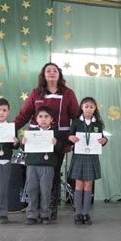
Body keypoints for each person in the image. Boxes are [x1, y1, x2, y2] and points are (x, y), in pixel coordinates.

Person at [14, 62, 78, 220]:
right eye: (48, 70)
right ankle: (33, 210)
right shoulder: (36, 93)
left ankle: (50, 209)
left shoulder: (68, 94)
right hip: (36, 141)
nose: (51, 73)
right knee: (34, 177)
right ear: (43, 74)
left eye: (55, 70)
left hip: (58, 141)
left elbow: (75, 116)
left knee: (54, 175)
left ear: (59, 74)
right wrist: (9, 130)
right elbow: (24, 114)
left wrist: (73, 137)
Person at [68, 97, 108, 225]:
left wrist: (105, 140)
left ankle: (86, 213)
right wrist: (71, 138)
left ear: (95, 108)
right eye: (86, 106)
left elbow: (101, 139)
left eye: (91, 107)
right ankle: (78, 213)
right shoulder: (76, 122)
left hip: (92, 156)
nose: (88, 109)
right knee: (79, 185)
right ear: (82, 107)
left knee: (88, 185)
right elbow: (69, 135)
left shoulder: (98, 124)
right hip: (79, 155)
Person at [22, 106, 63, 225]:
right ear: (36, 119)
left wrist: (56, 143)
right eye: (40, 116)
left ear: (51, 119)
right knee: (32, 190)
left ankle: (45, 214)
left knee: (46, 191)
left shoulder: (56, 133)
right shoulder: (30, 132)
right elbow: (24, 149)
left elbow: (60, 149)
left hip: (48, 166)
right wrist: (23, 143)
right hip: (32, 165)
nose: (43, 119)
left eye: (46, 116)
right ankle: (31, 214)